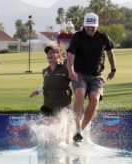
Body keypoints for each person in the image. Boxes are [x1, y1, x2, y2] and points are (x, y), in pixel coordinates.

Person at [67, 12, 116, 142]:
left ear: (96, 26)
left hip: (97, 76)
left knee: (94, 99)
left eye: (93, 27)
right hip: (80, 74)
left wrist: (113, 69)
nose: (90, 29)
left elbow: (110, 53)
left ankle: (80, 132)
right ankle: (77, 128)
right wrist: (71, 70)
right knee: (80, 93)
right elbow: (70, 55)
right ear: (84, 25)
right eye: (88, 26)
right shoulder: (77, 37)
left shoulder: (103, 37)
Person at [29, 45, 72, 116]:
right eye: (47, 53)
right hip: (49, 106)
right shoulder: (45, 71)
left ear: (58, 55)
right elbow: (47, 85)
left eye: (52, 52)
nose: (49, 54)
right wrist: (37, 91)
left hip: (64, 105)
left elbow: (75, 81)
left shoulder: (66, 69)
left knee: (66, 125)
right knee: (48, 125)